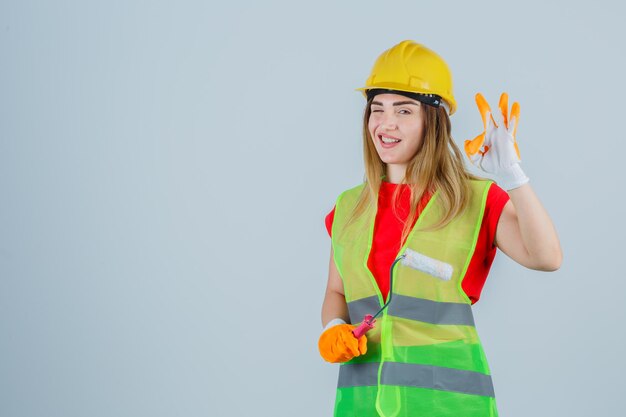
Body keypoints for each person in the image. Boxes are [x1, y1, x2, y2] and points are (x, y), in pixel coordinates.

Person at [318, 40, 562, 417]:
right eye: (377, 109)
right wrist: (333, 326)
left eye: (404, 110)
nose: (387, 123)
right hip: (362, 404)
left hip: (448, 405)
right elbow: (337, 289)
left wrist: (513, 177)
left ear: (432, 120)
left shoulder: (475, 199)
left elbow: (546, 258)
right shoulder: (350, 206)